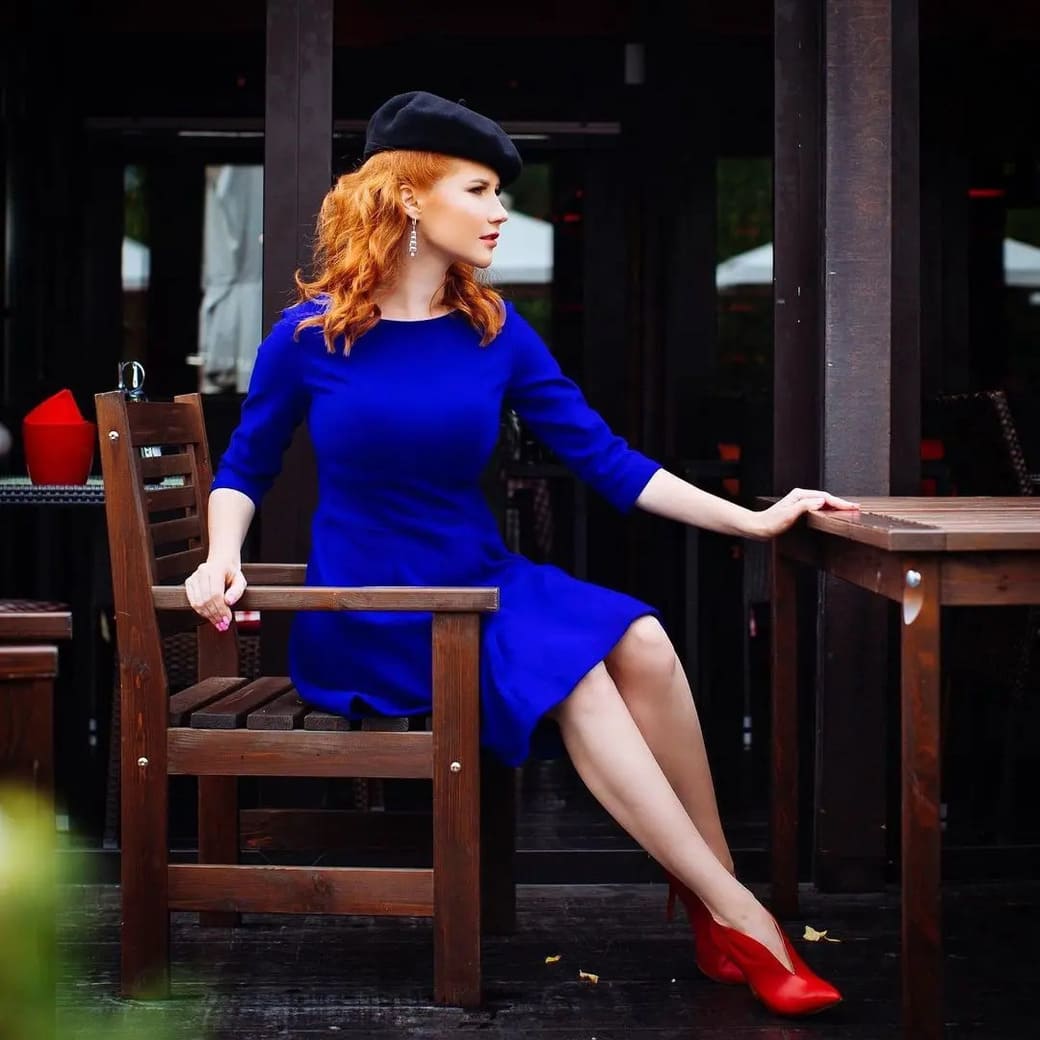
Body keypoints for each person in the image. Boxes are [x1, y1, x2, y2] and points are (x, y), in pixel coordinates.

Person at [186, 90, 858, 1017]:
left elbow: (606, 459)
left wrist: (750, 521)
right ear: (409, 197)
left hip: (483, 585)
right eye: (480, 189)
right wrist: (221, 554)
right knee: (577, 672)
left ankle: (715, 903)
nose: (500, 211)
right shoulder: (309, 336)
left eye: (500, 193)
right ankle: (742, 916)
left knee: (644, 640)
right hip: (374, 614)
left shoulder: (495, 331)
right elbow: (245, 467)